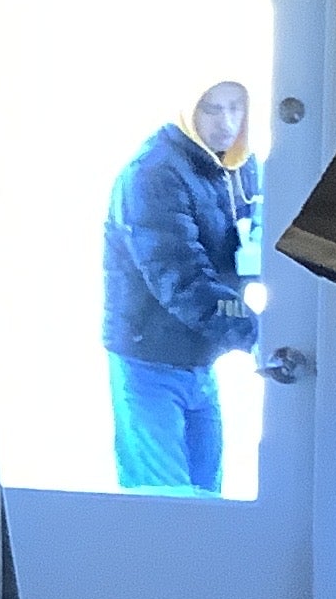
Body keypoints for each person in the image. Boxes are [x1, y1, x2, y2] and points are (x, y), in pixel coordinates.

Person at [103, 82, 260, 494]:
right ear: (189, 109)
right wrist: (257, 331)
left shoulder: (239, 166)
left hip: (200, 360)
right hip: (149, 362)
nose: (227, 123)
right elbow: (185, 283)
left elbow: (254, 250)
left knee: (207, 502)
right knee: (161, 508)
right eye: (212, 110)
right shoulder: (154, 175)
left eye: (235, 108)